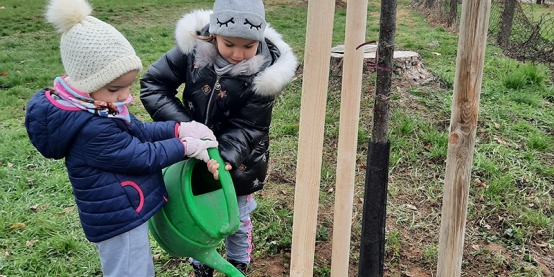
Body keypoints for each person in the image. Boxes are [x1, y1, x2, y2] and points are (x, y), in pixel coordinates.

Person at [24, 0, 220, 276]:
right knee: (130, 270)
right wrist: (184, 146)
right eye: (115, 88)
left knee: (137, 267)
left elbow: (138, 131)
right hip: (117, 217)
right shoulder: (91, 127)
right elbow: (140, 155)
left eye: (127, 86)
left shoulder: (97, 106)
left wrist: (179, 129)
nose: (123, 96)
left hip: (126, 205)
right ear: (87, 83)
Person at [140, 0, 297, 275]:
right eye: (229, 44)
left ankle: (238, 260)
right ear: (213, 34)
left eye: (248, 46)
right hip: (193, 152)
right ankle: (202, 261)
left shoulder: (264, 75)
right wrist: (187, 129)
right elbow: (154, 84)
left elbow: (250, 126)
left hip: (238, 161)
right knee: (198, 209)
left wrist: (222, 156)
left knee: (235, 215)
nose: (238, 54)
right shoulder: (191, 51)